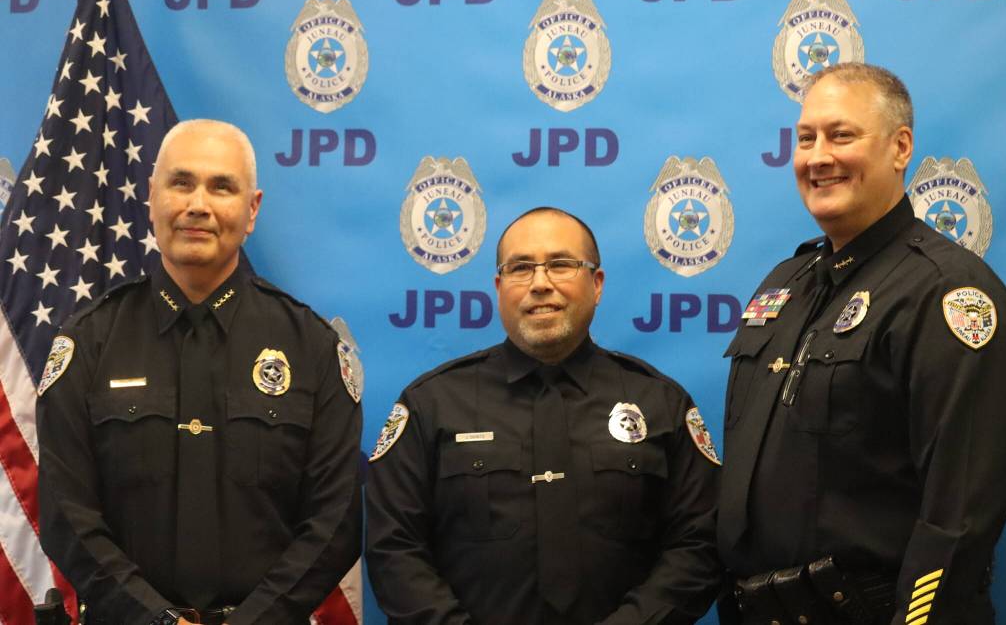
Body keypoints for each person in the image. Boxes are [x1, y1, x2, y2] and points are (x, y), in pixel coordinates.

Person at [717, 64, 1006, 624]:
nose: (817, 156)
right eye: (805, 138)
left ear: (900, 147)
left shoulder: (946, 290)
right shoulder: (786, 281)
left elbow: (959, 515)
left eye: (842, 135)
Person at [36, 119, 363, 625]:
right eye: (181, 183)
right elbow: (66, 515)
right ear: (151, 197)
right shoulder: (87, 344)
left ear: (251, 210)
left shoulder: (312, 349)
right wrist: (156, 620)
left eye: (221, 187)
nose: (198, 205)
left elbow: (334, 524)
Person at [366, 207, 721, 624]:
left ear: (597, 283)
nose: (540, 283)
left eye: (561, 265)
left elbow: (698, 544)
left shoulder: (660, 403)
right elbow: (395, 549)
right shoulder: (431, 404)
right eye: (520, 268)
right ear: (499, 287)